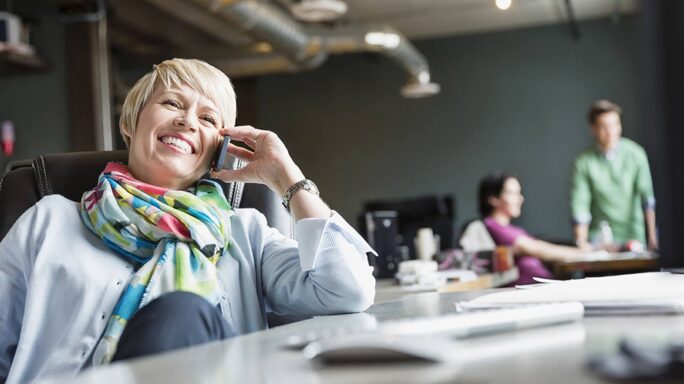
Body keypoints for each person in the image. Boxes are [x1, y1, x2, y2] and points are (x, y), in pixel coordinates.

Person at [0, 58, 376, 383]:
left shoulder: (245, 233)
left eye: (208, 118)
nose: (187, 121)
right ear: (130, 123)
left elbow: (345, 289)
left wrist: (287, 177)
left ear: (220, 150)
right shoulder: (46, 221)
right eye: (171, 103)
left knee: (181, 311)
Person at [570, 100, 657, 250]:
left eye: (614, 124)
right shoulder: (583, 162)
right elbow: (580, 205)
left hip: (634, 238)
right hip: (601, 240)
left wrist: (653, 239)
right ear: (593, 128)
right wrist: (581, 242)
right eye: (603, 126)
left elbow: (647, 199)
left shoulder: (636, 154)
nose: (610, 131)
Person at [479, 172, 591, 285]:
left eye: (519, 193)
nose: (520, 199)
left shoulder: (511, 229)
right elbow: (537, 249)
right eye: (512, 194)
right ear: (493, 199)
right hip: (527, 292)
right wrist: (584, 253)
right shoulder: (492, 226)